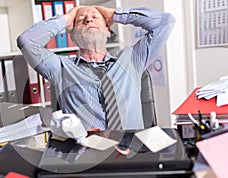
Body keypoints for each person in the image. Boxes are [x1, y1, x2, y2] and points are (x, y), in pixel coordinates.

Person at [17, 5, 175, 131]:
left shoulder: (132, 59)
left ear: (107, 30)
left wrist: (114, 15)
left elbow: (165, 22)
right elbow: (26, 41)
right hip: (87, 157)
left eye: (94, 17)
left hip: (131, 155)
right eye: (81, 20)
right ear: (72, 37)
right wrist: (67, 18)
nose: (88, 20)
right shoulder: (60, 68)